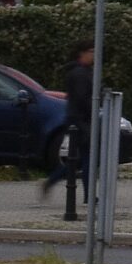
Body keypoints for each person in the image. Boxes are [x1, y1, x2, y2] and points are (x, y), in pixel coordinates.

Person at [41, 40, 95, 198]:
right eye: (91, 51)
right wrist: (91, 111)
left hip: (77, 119)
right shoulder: (80, 73)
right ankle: (88, 194)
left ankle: (53, 181)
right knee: (86, 158)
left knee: (78, 158)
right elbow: (82, 98)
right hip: (80, 120)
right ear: (82, 53)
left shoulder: (81, 71)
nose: (93, 55)